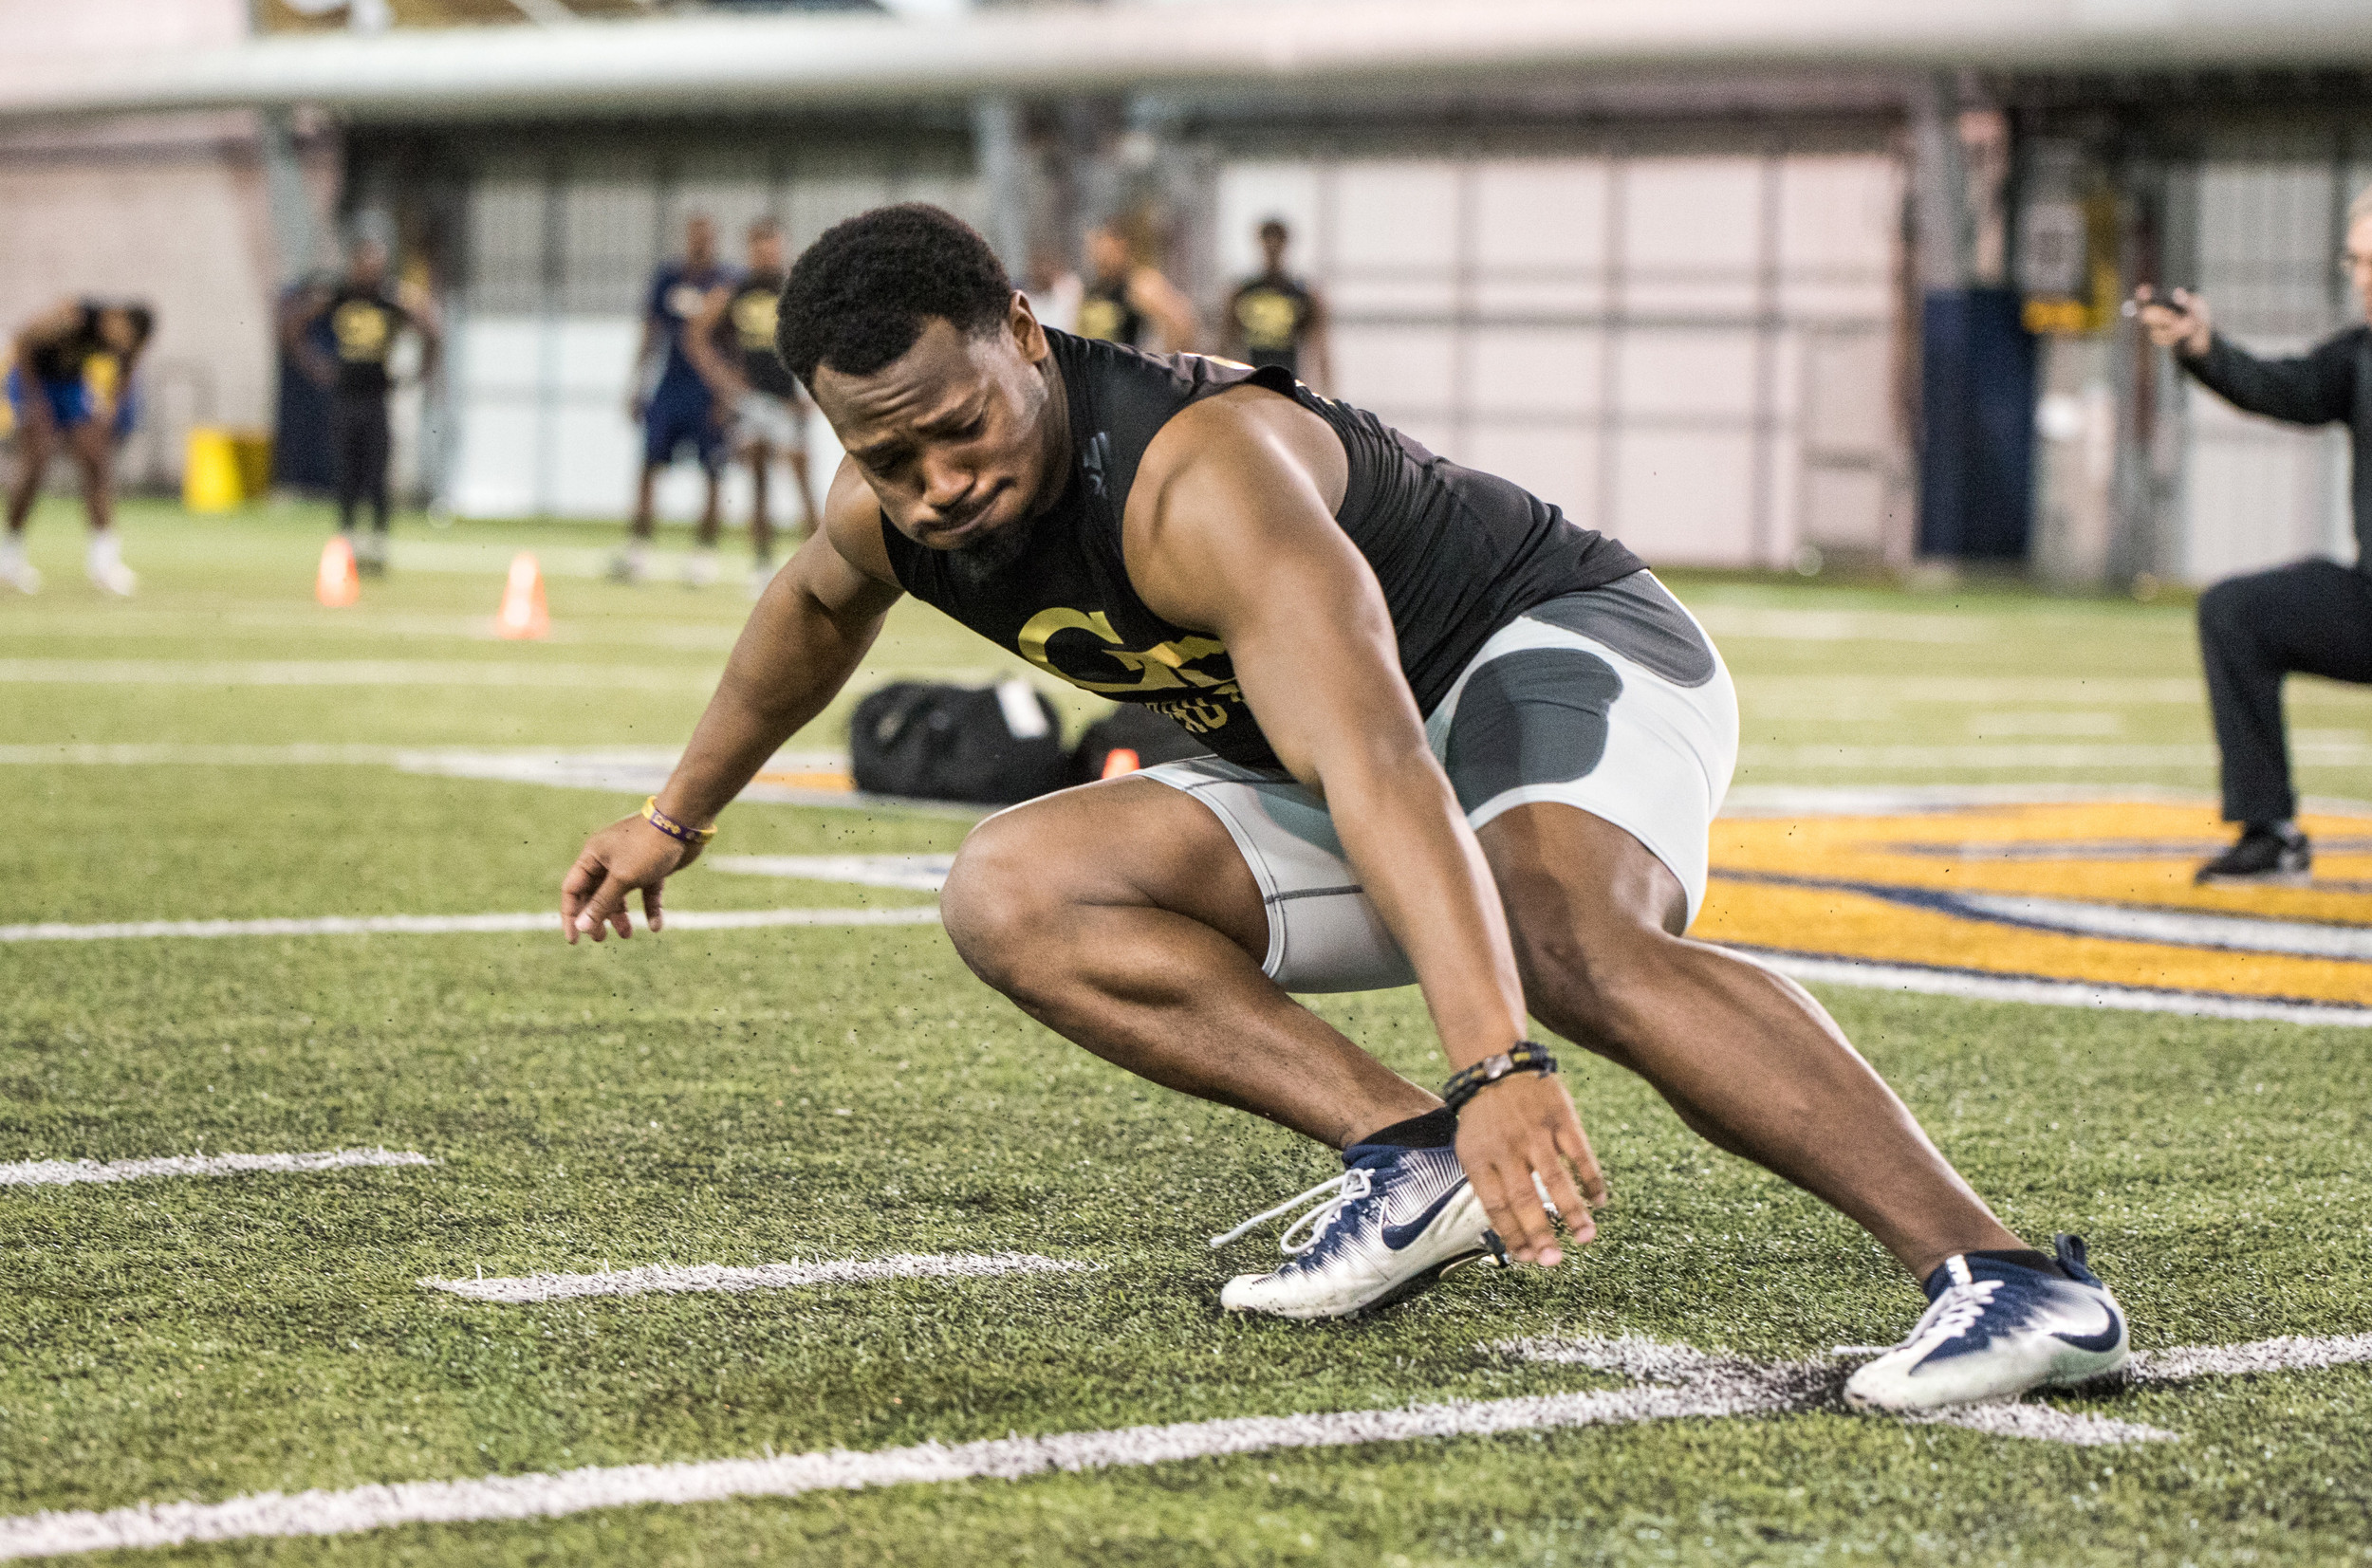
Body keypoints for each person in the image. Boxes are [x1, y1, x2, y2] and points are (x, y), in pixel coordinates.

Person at [560, 205, 2129, 1413]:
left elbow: (1382, 760)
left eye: (955, 428)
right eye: (883, 456)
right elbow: (815, 608)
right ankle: (1407, 1159)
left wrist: (1501, 1054)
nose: (934, 485)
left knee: (1566, 934)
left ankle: (2007, 1277)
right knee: (1013, 887)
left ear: (1025, 335)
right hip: (1351, 755)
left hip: (1547, 650)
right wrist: (674, 816)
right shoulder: (892, 498)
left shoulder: (1198, 478)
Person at [2135, 189, 2372, 884]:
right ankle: (2269, 831)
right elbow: (2281, 386)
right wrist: (2204, 346)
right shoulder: (2360, 358)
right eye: (2358, 261)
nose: (2364, 277)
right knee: (2236, 612)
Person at [287, 238, 440, 576]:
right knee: (347, 474)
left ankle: (377, 547)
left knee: (376, 474)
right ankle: (346, 545)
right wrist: (314, 364)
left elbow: (430, 327)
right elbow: (296, 323)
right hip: (345, 397)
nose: (370, 270)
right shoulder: (339, 295)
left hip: (377, 399)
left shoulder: (391, 298)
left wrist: (421, 374)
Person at [687, 218, 817, 597]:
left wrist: (814, 393)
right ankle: (762, 565)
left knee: (803, 482)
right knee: (758, 481)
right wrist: (725, 383)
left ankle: (821, 565)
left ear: (783, 247)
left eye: (773, 246)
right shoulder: (735, 291)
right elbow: (696, 334)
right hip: (752, 401)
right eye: (759, 247)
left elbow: (820, 343)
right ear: (749, 250)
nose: (766, 254)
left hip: (787, 400)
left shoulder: (795, 291)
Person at [4, 297, 153, 596]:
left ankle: (104, 562)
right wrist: (35, 404)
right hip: (32, 381)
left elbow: (128, 365)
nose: (120, 346)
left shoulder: (124, 340)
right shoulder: (74, 316)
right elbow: (23, 342)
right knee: (36, 464)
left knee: (97, 463)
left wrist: (109, 410)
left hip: (71, 385)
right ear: (117, 315)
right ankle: (8, 556)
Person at [620, 213, 734, 586]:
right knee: (649, 467)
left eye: (706, 236)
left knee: (713, 472)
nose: (700, 242)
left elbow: (735, 341)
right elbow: (650, 332)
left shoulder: (727, 282)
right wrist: (636, 383)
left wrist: (728, 390)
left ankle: (703, 556)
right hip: (670, 388)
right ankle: (638, 550)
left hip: (708, 391)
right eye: (694, 235)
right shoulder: (668, 278)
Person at [1222, 218, 1331, 394]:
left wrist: (1325, 392)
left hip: (1288, 384)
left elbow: (1319, 346)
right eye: (1268, 242)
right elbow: (1225, 341)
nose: (1272, 248)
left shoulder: (1302, 295)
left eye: (1277, 242)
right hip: (1251, 381)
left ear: (1285, 245)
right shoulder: (1243, 292)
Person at [1075, 221, 1195, 355]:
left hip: (1127, 369)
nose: (1096, 254)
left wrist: (1167, 368)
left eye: (1103, 243)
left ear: (1121, 246)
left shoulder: (1139, 284)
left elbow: (1181, 323)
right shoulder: (1097, 288)